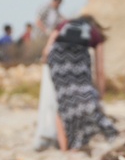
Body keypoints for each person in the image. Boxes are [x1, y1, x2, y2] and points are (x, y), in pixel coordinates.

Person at [42, 14, 117, 151]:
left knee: (63, 102)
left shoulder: (63, 25)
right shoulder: (94, 33)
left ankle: (65, 148)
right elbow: (100, 69)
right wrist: (100, 92)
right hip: (78, 64)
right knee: (85, 98)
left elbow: (47, 51)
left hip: (57, 61)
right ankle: (81, 141)